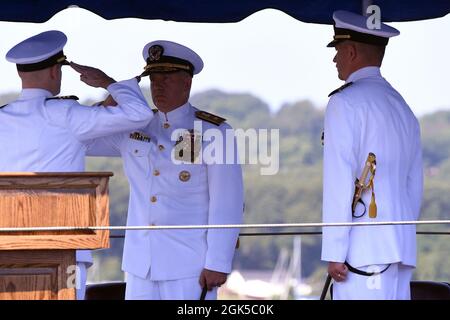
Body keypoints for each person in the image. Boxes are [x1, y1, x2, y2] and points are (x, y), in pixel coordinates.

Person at [0, 30, 154, 300]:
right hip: (64, 246)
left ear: (20, 74)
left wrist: (98, 111)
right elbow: (139, 113)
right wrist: (108, 82)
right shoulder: (68, 114)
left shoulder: (4, 117)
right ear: (54, 72)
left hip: (7, 245)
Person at [86, 40, 244, 300]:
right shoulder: (135, 127)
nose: (157, 85)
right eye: (153, 79)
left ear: (187, 82)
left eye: (166, 78)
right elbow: (85, 140)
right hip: (140, 264)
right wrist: (114, 96)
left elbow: (227, 202)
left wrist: (218, 261)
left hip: (189, 265)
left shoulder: (213, 132)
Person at [321, 10, 423, 300]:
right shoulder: (401, 106)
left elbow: (339, 182)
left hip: (363, 253)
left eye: (338, 50)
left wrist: (335, 251)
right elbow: (414, 186)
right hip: (399, 249)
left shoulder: (344, 103)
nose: (334, 59)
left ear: (351, 51)